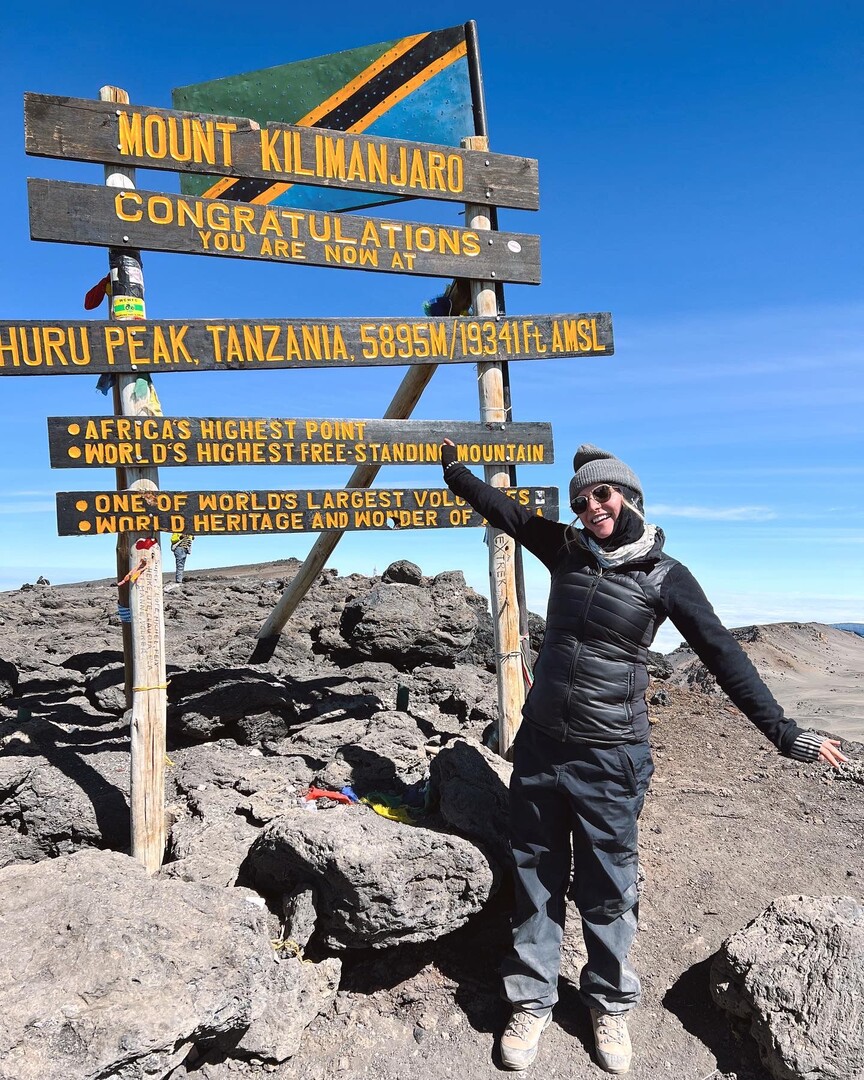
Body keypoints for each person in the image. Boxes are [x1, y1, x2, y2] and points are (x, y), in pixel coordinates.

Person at [440, 441, 847, 1074]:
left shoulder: (666, 577)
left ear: (630, 496)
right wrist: (455, 472)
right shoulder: (567, 549)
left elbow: (723, 655)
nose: (591, 508)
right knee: (535, 876)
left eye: (602, 494)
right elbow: (506, 512)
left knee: (607, 888)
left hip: (611, 757)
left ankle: (609, 1004)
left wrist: (782, 731)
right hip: (543, 746)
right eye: (580, 501)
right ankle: (532, 1001)